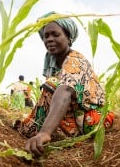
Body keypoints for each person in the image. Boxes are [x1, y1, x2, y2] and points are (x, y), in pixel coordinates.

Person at [14, 11, 114, 156]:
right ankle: (39, 130)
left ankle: (63, 136)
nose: (49, 39)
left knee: (53, 84)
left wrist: (44, 133)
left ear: (68, 38)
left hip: (93, 119)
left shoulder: (75, 60)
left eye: (55, 34)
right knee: (52, 84)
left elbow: (65, 91)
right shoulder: (56, 64)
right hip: (77, 115)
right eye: (46, 36)